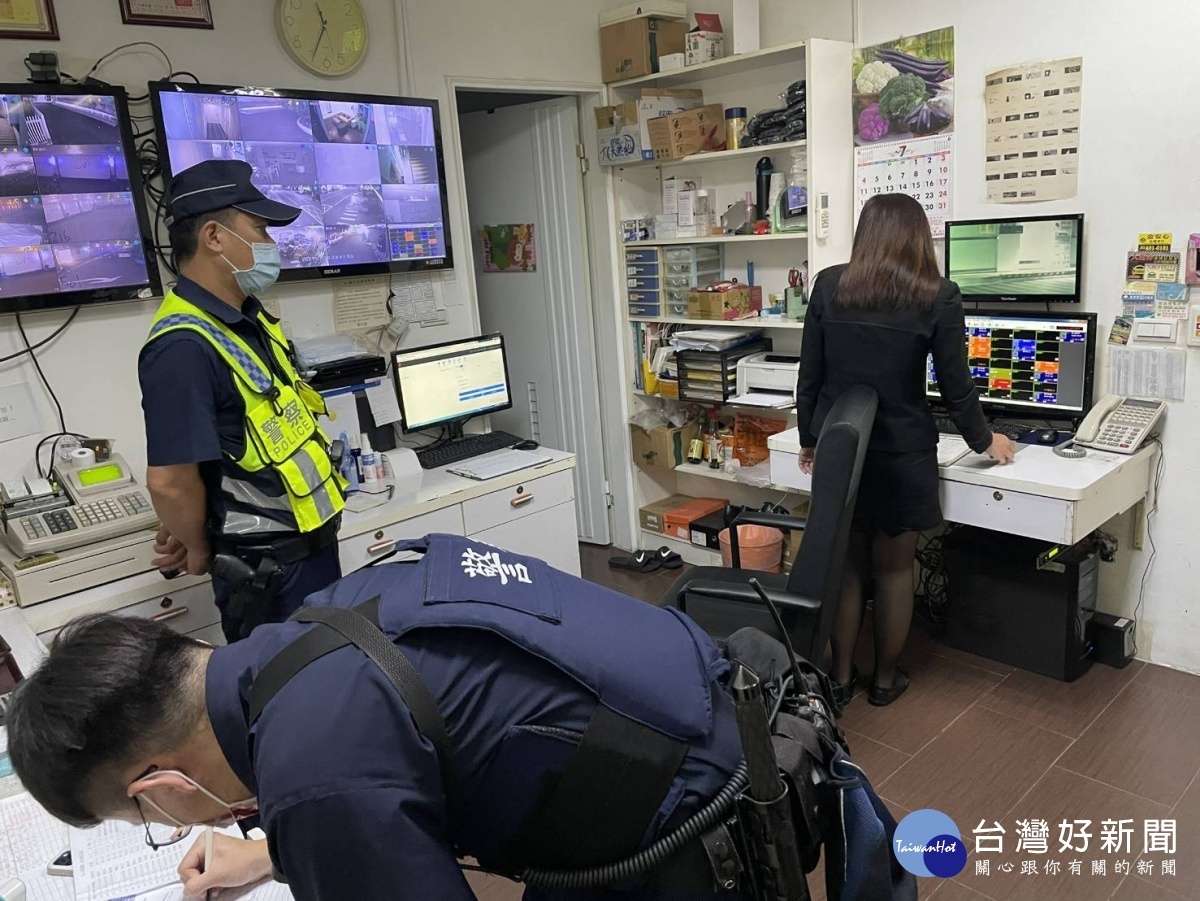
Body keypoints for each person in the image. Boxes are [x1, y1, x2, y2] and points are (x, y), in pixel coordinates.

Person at [8, 534, 747, 901]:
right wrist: (277, 853)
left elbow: (339, 782)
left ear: (157, 786)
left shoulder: (310, 777)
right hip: (713, 703)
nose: (169, 825)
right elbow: (381, 761)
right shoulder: (319, 618)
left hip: (689, 818)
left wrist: (309, 833)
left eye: (147, 821)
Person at [795, 193, 1016, 710]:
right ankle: (886, 679)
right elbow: (956, 387)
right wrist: (987, 440)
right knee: (895, 570)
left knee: (848, 567)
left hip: (842, 451)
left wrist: (811, 439)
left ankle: (842, 675)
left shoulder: (830, 285)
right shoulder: (936, 294)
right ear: (919, 236)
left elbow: (810, 375)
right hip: (902, 452)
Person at [139, 159, 344, 642]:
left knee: (329, 693)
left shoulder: (247, 320)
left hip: (310, 553)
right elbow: (170, 481)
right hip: (267, 573)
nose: (271, 246)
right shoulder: (181, 346)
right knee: (287, 706)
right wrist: (195, 542)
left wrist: (197, 517)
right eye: (260, 230)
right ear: (214, 237)